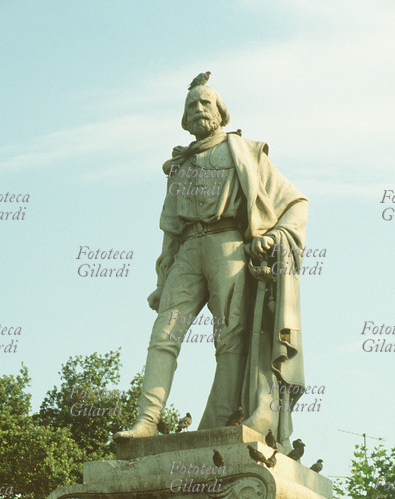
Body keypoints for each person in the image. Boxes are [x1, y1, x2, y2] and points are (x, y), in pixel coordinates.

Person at [117, 79, 308, 448]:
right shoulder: (180, 165)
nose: (199, 109)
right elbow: (170, 230)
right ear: (184, 119)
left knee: (230, 339)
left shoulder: (246, 152)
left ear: (222, 112)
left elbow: (296, 202)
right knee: (164, 336)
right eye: (192, 106)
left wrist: (273, 236)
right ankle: (146, 421)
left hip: (228, 245)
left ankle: (219, 424)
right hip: (187, 251)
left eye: (205, 103)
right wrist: (162, 281)